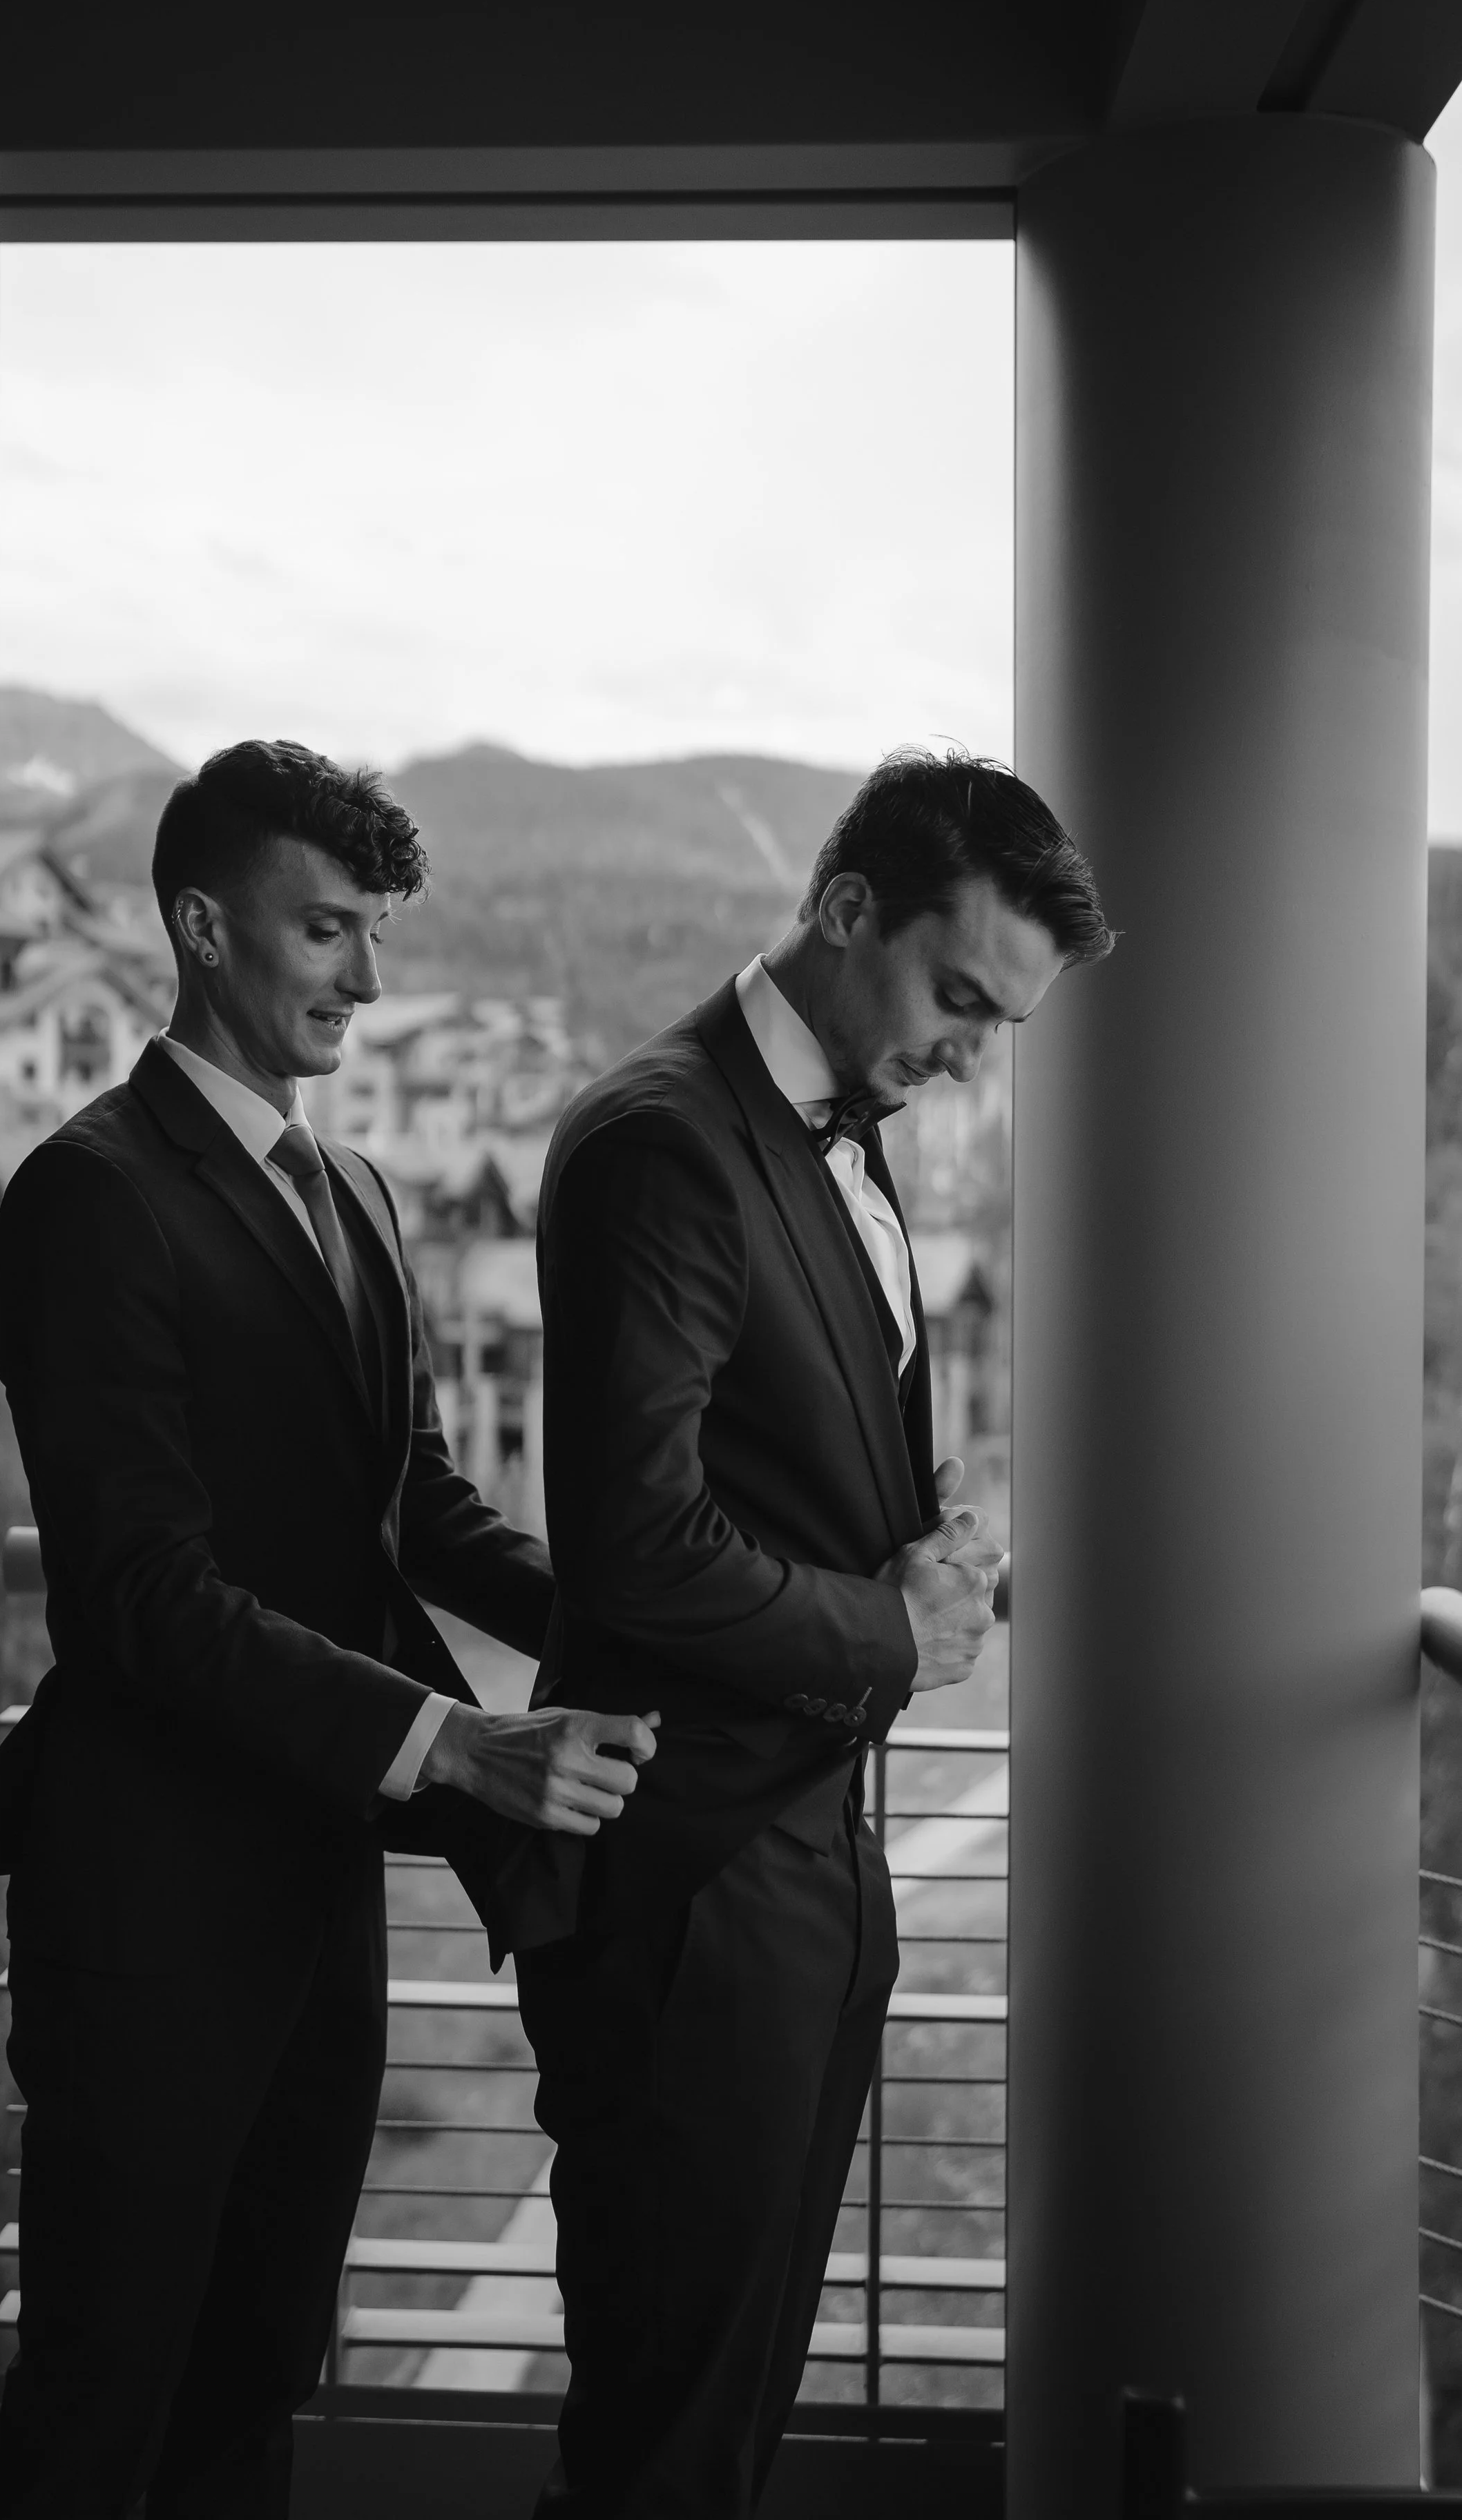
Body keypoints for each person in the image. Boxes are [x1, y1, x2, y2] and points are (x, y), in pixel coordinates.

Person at [0, 739, 656, 2519]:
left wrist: (657, 1628)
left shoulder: (358, 1195)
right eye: (326, 931)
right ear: (198, 927)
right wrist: (459, 1742)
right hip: (149, 1896)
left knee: (263, 2361)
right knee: (106, 2381)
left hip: (313, 1881)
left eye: (375, 934)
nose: (368, 979)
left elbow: (415, 1505)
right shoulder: (87, 1195)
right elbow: (142, 1599)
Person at [509, 747, 1115, 2517]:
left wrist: (916, 1549)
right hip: (690, 1877)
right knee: (661, 2430)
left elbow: (776, 1461)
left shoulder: (838, 1131)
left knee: (733, 2405)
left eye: (999, 1023)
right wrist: (891, 1626)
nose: (970, 1054)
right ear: (844, 910)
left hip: (800, 1852)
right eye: (956, 998)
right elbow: (634, 1548)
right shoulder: (660, 1141)